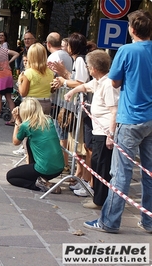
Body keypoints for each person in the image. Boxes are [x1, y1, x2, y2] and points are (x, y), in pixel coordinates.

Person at [84, 10, 152, 234]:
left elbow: (113, 82)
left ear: (132, 29)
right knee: (149, 173)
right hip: (151, 119)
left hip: (130, 117)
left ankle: (110, 221)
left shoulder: (126, 50)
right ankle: (149, 220)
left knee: (120, 173)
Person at [64, 50, 119, 209]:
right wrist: (73, 91)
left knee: (102, 166)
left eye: (88, 66)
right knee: (97, 163)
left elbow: (113, 110)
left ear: (94, 68)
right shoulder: (100, 81)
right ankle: (99, 197)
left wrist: (110, 134)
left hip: (104, 132)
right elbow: (87, 86)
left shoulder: (108, 84)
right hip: (99, 131)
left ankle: (100, 200)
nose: (87, 69)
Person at [50, 32, 95, 196]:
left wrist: (64, 79)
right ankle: (80, 176)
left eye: (67, 44)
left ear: (72, 46)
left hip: (83, 110)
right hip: (79, 109)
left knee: (84, 146)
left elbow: (81, 82)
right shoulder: (79, 60)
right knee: (80, 145)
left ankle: (86, 179)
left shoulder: (81, 60)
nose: (65, 47)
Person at [6, 98, 64, 193]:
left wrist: (17, 120)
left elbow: (15, 142)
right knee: (29, 141)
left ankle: (38, 186)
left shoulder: (26, 125)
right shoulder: (49, 120)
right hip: (58, 168)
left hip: (44, 168)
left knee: (11, 176)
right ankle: (41, 181)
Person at [46, 32, 73, 173]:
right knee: (63, 133)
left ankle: (63, 163)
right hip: (67, 99)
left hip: (58, 99)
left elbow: (51, 79)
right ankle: (64, 162)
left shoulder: (53, 57)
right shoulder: (67, 55)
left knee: (59, 133)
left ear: (48, 44)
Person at [17, 43, 54, 115]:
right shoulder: (50, 72)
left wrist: (19, 82)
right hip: (46, 103)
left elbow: (23, 93)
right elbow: (52, 90)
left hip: (32, 105)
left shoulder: (28, 73)